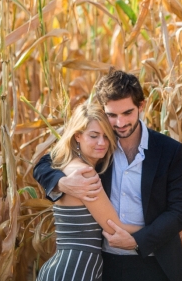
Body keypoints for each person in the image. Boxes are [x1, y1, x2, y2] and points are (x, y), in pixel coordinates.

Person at [34, 70, 182, 281]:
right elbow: (44, 164)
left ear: (141, 106)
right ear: (103, 111)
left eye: (127, 113)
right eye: (112, 115)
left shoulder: (167, 150)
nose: (120, 123)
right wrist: (63, 183)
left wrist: (138, 240)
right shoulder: (99, 148)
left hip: (154, 263)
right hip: (105, 264)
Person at [37, 102, 142, 281]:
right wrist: (161, 230)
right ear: (78, 136)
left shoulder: (66, 165)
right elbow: (114, 227)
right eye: (93, 136)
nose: (102, 143)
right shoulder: (85, 173)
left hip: (67, 267)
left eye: (106, 136)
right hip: (74, 270)